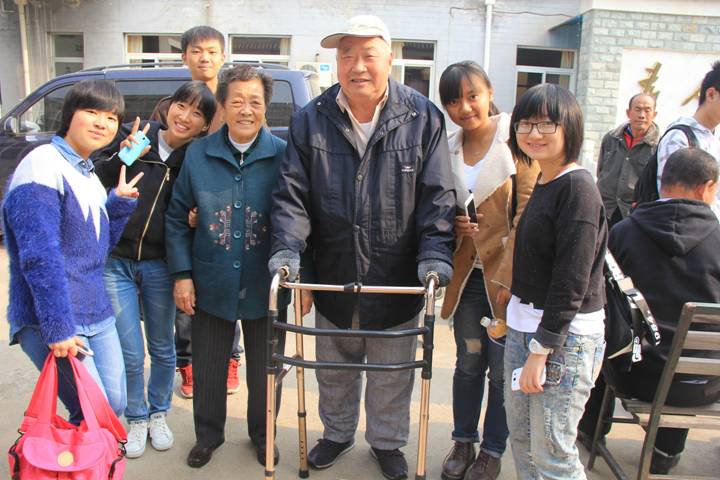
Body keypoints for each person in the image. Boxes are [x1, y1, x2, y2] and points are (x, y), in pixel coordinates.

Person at [269, 15, 455, 480]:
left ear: (390, 59)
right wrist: (290, 253)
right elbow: (292, 196)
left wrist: (435, 255)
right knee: (333, 369)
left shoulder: (422, 117)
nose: (357, 66)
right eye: (346, 55)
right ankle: (337, 433)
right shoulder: (311, 118)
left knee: (393, 372)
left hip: (396, 278)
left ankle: (387, 443)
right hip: (333, 272)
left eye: (368, 55)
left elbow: (438, 198)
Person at [165, 65, 289, 469]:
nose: (246, 110)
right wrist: (182, 275)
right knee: (208, 364)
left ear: (266, 107)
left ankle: (263, 434)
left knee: (267, 369)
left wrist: (299, 281)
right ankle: (208, 435)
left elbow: (299, 215)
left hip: (265, 282)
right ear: (222, 105)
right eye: (237, 101)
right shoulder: (200, 153)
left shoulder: (283, 155)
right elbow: (177, 217)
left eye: (255, 101)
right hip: (210, 278)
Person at [3, 79, 142, 422]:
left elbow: (95, 251)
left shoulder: (88, 173)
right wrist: (57, 326)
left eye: (111, 117)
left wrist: (118, 205)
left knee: (114, 405)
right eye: (92, 111)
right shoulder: (42, 164)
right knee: (91, 410)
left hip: (96, 312)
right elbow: (39, 255)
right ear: (69, 114)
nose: (102, 123)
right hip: (53, 317)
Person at [93, 81, 217, 458]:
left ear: (204, 126)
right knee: (131, 352)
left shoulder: (195, 159)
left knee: (162, 347)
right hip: (117, 262)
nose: (185, 116)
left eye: (197, 113)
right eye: (182, 105)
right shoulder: (139, 135)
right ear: (169, 106)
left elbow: (200, 206)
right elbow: (96, 178)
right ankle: (136, 417)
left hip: (161, 265)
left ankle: (158, 412)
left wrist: (197, 218)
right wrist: (123, 156)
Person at [584, 147, 720, 474]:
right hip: (703, 385)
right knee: (689, 351)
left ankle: (590, 430)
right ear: (706, 187)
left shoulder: (623, 232)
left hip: (635, 377)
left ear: (662, 182)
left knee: (608, 332)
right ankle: (666, 451)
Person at [437, 61, 539, 480]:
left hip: (507, 279)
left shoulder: (515, 139)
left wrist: (511, 278)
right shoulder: (448, 146)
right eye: (453, 101)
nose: (464, 108)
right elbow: (439, 205)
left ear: (489, 93)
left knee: (501, 370)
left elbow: (529, 209)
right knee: (468, 362)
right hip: (467, 277)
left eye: (472, 96)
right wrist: (454, 224)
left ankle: (492, 451)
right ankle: (463, 441)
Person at [504, 83, 607, 480]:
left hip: (563, 341)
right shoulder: (547, 180)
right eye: (525, 124)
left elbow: (571, 281)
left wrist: (540, 349)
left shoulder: (578, 189)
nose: (534, 133)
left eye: (546, 124)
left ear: (570, 127)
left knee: (553, 454)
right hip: (528, 329)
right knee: (525, 443)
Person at [150, 25, 245, 398]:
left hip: (225, 220)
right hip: (180, 219)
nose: (204, 58)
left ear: (223, 57)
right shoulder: (169, 105)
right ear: (184, 56)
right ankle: (188, 362)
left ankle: (230, 358)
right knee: (184, 293)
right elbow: (159, 161)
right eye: (196, 51)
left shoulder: (234, 103)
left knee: (229, 289)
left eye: (211, 51)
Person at [656, 61, 720, 216]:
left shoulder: (714, 139)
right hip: (689, 228)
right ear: (711, 94)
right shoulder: (678, 138)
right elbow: (672, 200)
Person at [597, 93, 659, 227]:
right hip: (605, 208)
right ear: (628, 112)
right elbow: (600, 170)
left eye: (647, 110)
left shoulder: (657, 146)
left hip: (634, 214)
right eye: (637, 109)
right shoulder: (611, 138)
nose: (642, 115)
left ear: (654, 114)